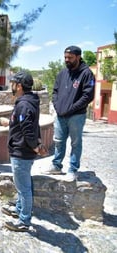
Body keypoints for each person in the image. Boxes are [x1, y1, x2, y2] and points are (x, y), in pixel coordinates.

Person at [42, 46, 95, 182]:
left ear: (78, 57)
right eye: (65, 57)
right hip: (60, 115)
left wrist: (71, 109)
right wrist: (57, 106)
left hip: (76, 115)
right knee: (58, 141)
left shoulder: (86, 73)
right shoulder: (62, 73)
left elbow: (88, 96)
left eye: (70, 58)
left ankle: (72, 169)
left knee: (76, 143)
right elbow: (55, 91)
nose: (67, 60)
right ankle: (56, 166)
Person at [0, 71, 45, 232]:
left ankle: (24, 221)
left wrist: (35, 146)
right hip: (23, 151)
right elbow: (30, 124)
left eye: (13, 83)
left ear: (19, 86)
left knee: (24, 188)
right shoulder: (28, 101)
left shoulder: (24, 104)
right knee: (22, 186)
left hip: (21, 152)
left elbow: (28, 129)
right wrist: (10, 123)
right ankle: (19, 209)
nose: (11, 86)